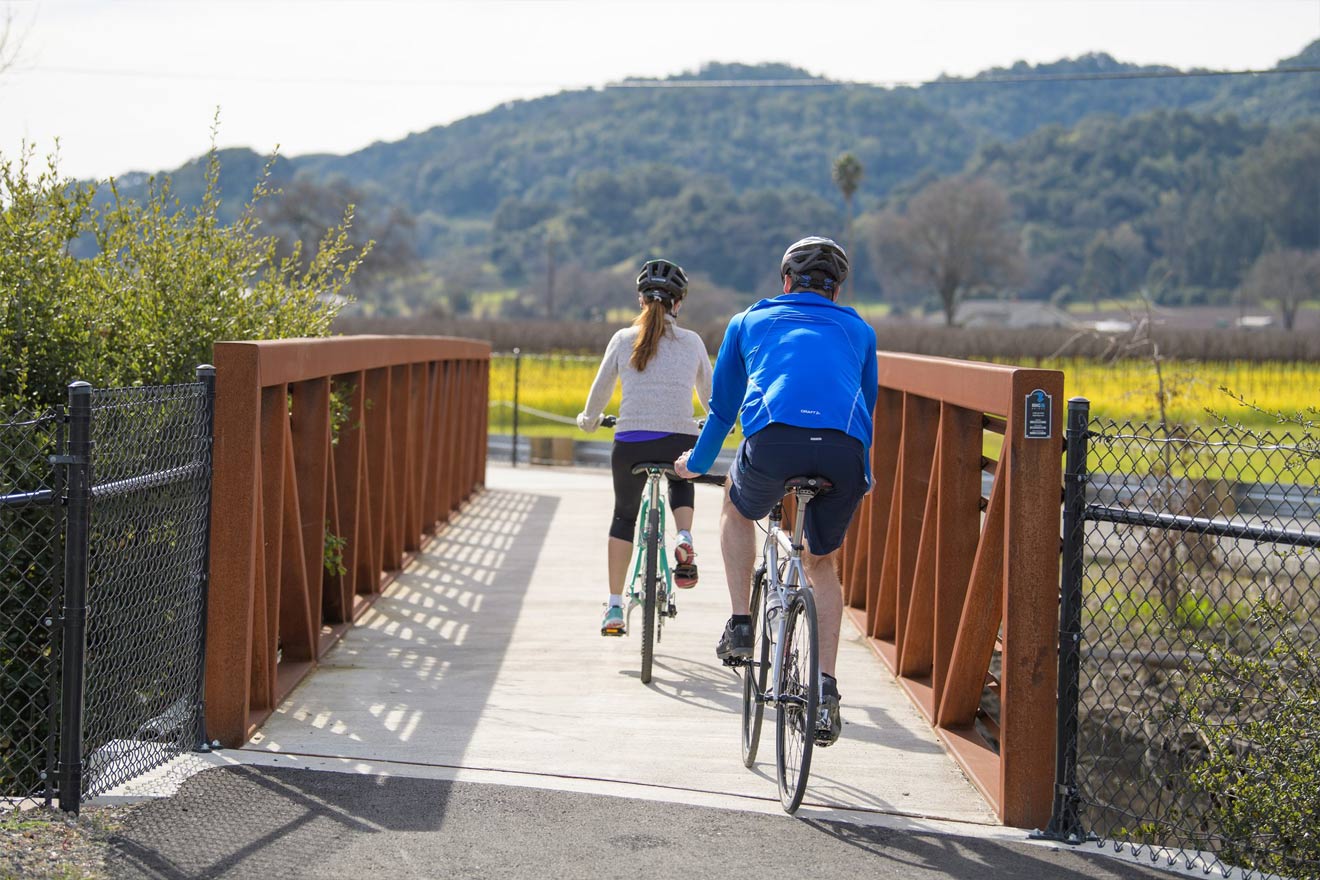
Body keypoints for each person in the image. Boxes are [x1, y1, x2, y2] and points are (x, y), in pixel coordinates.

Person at [674, 236, 877, 746]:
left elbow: (723, 410)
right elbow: (863, 410)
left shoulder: (748, 321)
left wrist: (694, 465)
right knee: (821, 564)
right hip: (842, 456)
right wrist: (863, 477)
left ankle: (742, 623)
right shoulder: (860, 330)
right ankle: (825, 691)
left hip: (773, 444)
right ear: (836, 290)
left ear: (785, 281)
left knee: (736, 509)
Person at [578, 258, 714, 636]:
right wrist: (718, 423)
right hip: (678, 439)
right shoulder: (692, 342)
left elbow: (600, 392)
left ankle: (615, 607)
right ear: (678, 304)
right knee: (683, 469)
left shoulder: (623, 339)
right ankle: (684, 537)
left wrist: (588, 421)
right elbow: (712, 398)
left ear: (640, 300)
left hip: (631, 443)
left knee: (624, 517)